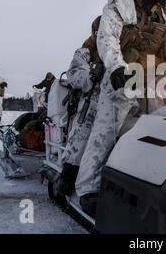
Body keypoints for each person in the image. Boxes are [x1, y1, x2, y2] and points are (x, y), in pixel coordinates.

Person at [74, 0, 166, 216]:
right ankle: (88, 189)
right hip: (124, 77)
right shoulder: (122, 1)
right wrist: (116, 67)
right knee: (106, 131)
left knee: (159, 130)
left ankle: (150, 178)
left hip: (156, 79)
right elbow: (107, 36)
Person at [57, 16, 105, 196]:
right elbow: (74, 73)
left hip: (116, 101)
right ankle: (68, 173)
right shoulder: (86, 51)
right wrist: (91, 75)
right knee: (82, 132)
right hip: (90, 100)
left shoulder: (119, 50)